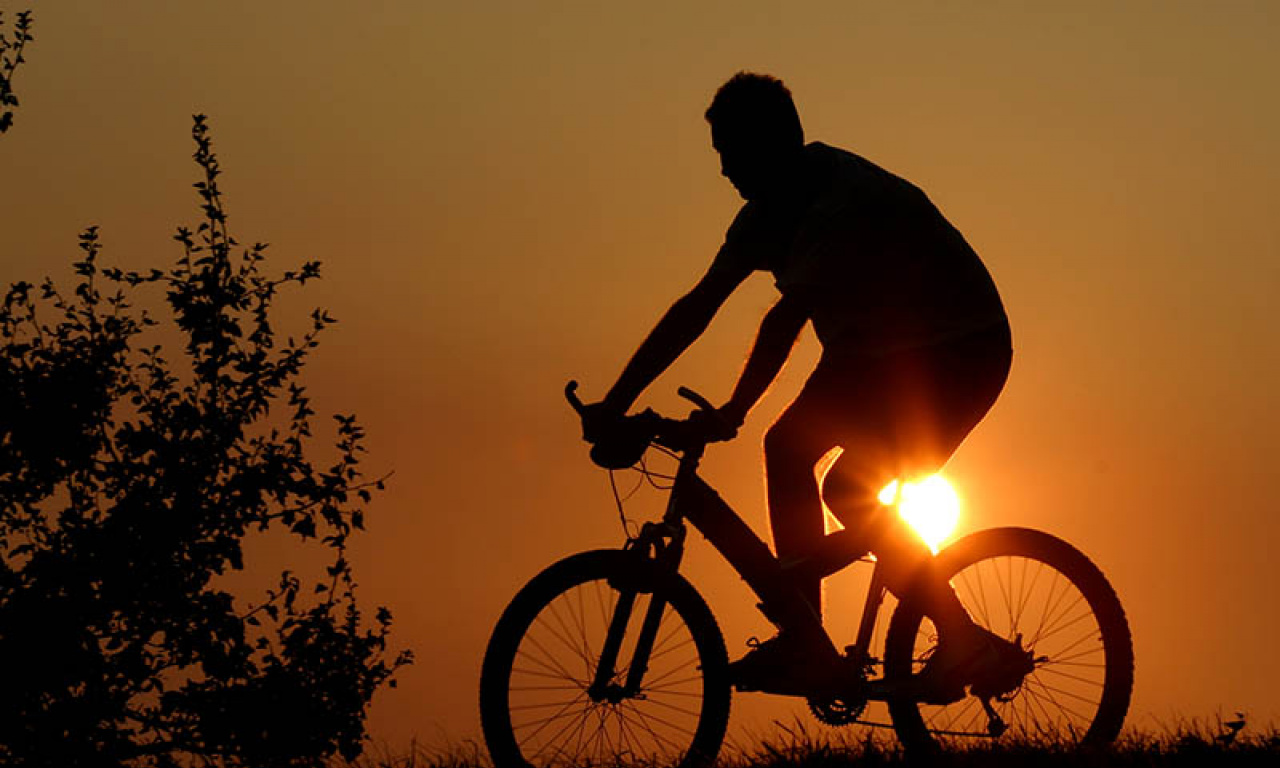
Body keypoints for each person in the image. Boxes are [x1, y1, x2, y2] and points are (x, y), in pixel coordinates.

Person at [581, 71, 1019, 703]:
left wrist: (732, 409)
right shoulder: (760, 217)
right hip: (872, 355)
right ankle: (829, 639)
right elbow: (697, 307)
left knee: (830, 475)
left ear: (770, 145)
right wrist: (615, 403)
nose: (725, 171)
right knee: (795, 456)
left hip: (958, 348)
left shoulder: (840, 198)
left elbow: (786, 318)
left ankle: (899, 640)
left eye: (731, 154)